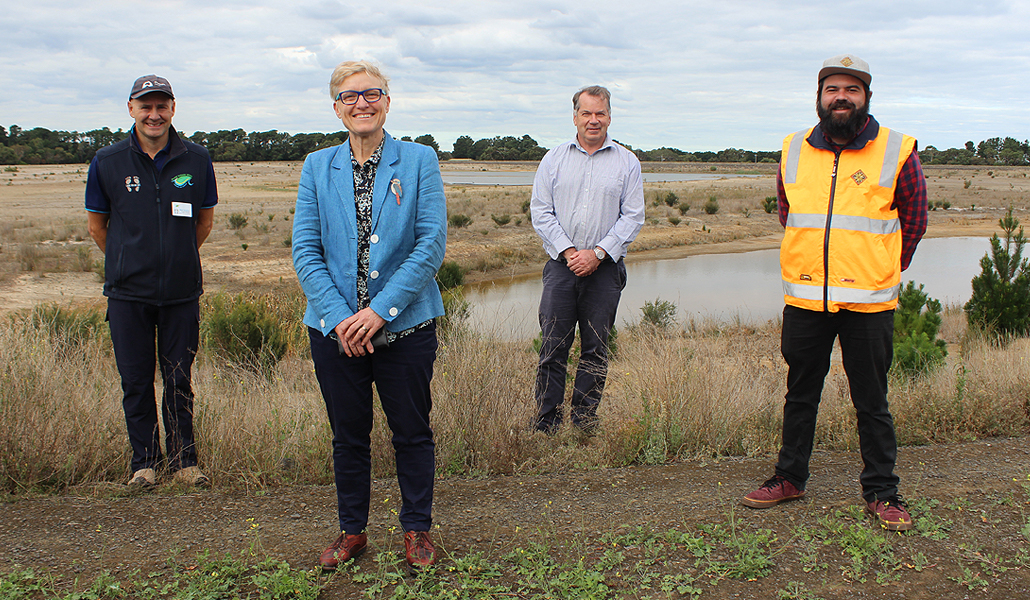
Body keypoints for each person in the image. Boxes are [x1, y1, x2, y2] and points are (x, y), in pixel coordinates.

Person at [741, 55, 928, 531]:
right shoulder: (793, 148)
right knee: (800, 393)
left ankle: (883, 493)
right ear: (819, 97)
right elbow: (789, 213)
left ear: (866, 98)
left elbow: (916, 218)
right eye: (832, 89)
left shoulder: (896, 150)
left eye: (851, 89)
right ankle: (789, 478)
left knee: (872, 399)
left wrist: (882, 267)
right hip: (805, 300)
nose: (841, 97)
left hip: (869, 304)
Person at [292, 61, 447, 572]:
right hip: (335, 333)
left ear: (387, 101)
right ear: (336, 107)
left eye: (372, 94)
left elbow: (430, 245)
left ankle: (416, 531)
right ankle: (352, 531)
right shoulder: (317, 167)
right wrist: (341, 318)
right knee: (348, 435)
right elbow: (306, 252)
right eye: (350, 96)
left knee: (412, 431)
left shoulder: (420, 160)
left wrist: (379, 312)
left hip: (406, 328)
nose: (362, 103)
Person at [85, 75, 217, 489]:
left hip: (180, 293)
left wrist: (175, 259)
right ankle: (143, 463)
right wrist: (130, 262)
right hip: (128, 294)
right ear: (131, 109)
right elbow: (97, 226)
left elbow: (204, 221)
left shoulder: (196, 159)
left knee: (179, 377)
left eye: (162, 106)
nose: (154, 114)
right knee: (136, 380)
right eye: (146, 106)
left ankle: (184, 462)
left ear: (173, 109)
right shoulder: (108, 161)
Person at [530, 85, 645, 434]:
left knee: (595, 349)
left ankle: (584, 423)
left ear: (610, 116)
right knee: (553, 347)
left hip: (605, 270)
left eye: (600, 113)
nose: (593, 120)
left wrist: (596, 254)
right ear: (575, 116)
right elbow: (541, 212)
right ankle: (546, 422)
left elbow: (633, 216)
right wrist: (569, 252)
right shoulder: (554, 159)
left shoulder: (627, 162)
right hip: (561, 269)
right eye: (586, 113)